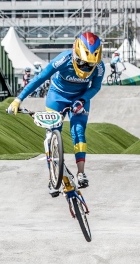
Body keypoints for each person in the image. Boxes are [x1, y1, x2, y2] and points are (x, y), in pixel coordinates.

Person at [7, 31, 105, 194]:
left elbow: (96, 86)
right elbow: (39, 79)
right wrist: (19, 99)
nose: (86, 68)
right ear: (75, 55)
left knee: (78, 131)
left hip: (80, 98)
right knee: (51, 133)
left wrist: (82, 100)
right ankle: (53, 176)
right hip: (57, 96)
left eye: (90, 65)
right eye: (83, 63)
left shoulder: (100, 66)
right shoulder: (63, 59)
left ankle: (81, 173)